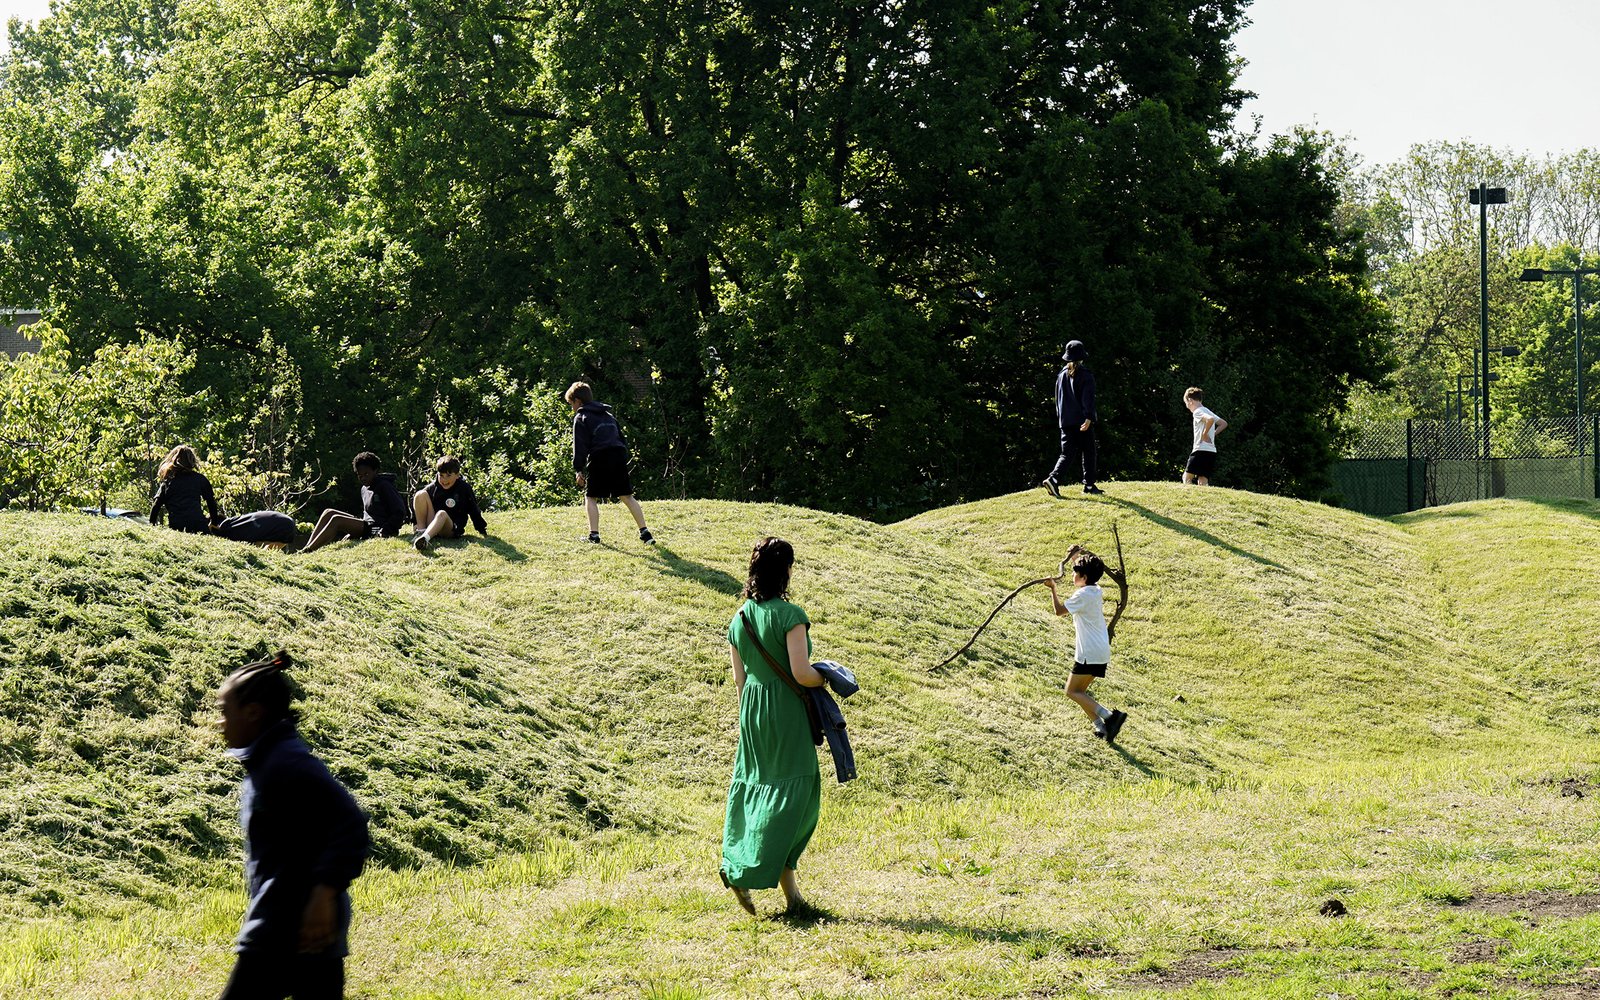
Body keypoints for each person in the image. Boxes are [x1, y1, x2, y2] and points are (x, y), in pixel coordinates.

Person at [215, 650, 368, 1000]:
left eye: (225, 712)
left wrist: (323, 894)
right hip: (300, 927)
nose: (220, 722)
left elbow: (350, 824)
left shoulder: (287, 763)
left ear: (252, 713)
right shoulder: (268, 760)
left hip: (287, 928)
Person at [721, 536, 826, 918]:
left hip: (752, 711)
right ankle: (745, 870)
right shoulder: (790, 615)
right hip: (784, 709)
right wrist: (828, 678)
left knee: (760, 791)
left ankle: (791, 897)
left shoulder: (740, 618)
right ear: (785, 571)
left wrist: (750, 721)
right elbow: (801, 672)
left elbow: (740, 680)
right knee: (796, 797)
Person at [1044, 548, 1127, 743]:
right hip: (1101, 650)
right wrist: (1076, 557)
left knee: (1071, 691)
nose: (1073, 575)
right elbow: (1085, 577)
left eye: (1075, 572)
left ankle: (1109, 717)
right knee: (1080, 693)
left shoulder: (1082, 596)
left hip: (1088, 652)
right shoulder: (1095, 589)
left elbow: (1059, 611)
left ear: (1084, 576)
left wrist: (1052, 588)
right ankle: (1101, 728)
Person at [565, 381, 654, 545]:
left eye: (571, 404)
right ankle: (645, 533)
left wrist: (578, 469)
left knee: (591, 496)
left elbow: (580, 445)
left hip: (600, 455)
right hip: (619, 454)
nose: (572, 408)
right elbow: (622, 438)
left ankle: (594, 535)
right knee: (626, 495)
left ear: (578, 401)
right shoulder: (608, 415)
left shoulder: (581, 417)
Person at [300, 453, 406, 554]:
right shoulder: (364, 489)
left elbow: (400, 512)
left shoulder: (384, 485)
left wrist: (385, 531)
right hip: (367, 524)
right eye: (360, 476)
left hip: (378, 529)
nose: (363, 478)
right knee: (328, 512)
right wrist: (353, 530)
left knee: (336, 520)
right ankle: (307, 546)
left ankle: (309, 551)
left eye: (366, 474)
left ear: (376, 471)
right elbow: (368, 514)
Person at [1041, 340, 1103, 497]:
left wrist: (1062, 420)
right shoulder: (1085, 375)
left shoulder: (1061, 375)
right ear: (1081, 357)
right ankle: (1089, 485)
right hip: (1081, 420)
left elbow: (1058, 399)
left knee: (1067, 453)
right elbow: (1087, 399)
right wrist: (1089, 417)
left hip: (1065, 421)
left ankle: (1054, 479)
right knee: (1089, 451)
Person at [411, 455, 488, 551]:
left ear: (457, 475)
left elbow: (473, 509)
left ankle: (425, 539)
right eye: (441, 475)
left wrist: (482, 529)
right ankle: (421, 532)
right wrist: (415, 523)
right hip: (433, 524)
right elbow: (419, 504)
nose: (444, 480)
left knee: (441, 514)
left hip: (450, 529)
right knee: (420, 494)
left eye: (448, 475)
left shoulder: (464, 488)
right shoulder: (433, 487)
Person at [148, 445, 222, 533]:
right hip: (198, 525)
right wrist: (214, 523)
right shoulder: (200, 479)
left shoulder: (168, 481)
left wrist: (151, 525)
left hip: (177, 526)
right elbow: (211, 503)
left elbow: (156, 505)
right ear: (192, 461)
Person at [1182, 387, 1228, 487]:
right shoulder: (1207, 410)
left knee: (1187, 477)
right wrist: (1212, 434)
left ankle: (1188, 498)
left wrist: (1204, 434)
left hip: (1200, 450)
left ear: (1190, 400)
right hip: (1211, 451)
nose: (1187, 407)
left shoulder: (1197, 412)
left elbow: (1210, 420)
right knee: (1203, 480)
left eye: (1186, 404)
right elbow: (1223, 424)